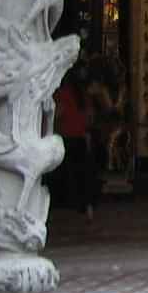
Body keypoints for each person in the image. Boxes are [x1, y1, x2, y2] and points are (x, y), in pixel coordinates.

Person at [52, 70, 99, 221]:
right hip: (81, 139)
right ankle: (88, 208)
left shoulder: (62, 94)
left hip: (64, 139)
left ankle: (53, 209)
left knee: (57, 175)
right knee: (83, 176)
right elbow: (90, 118)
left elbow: (57, 114)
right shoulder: (84, 96)